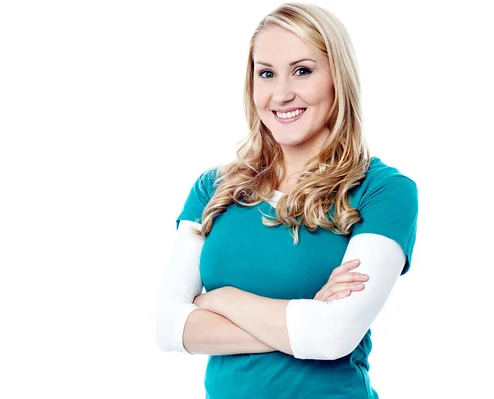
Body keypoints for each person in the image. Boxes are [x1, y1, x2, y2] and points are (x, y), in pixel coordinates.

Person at [155, 3, 419, 398]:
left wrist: (219, 300)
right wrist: (304, 320)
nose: (281, 94)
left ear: (337, 79)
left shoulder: (382, 190)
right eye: (266, 74)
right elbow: (167, 326)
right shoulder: (214, 188)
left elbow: (332, 338)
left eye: (303, 71)